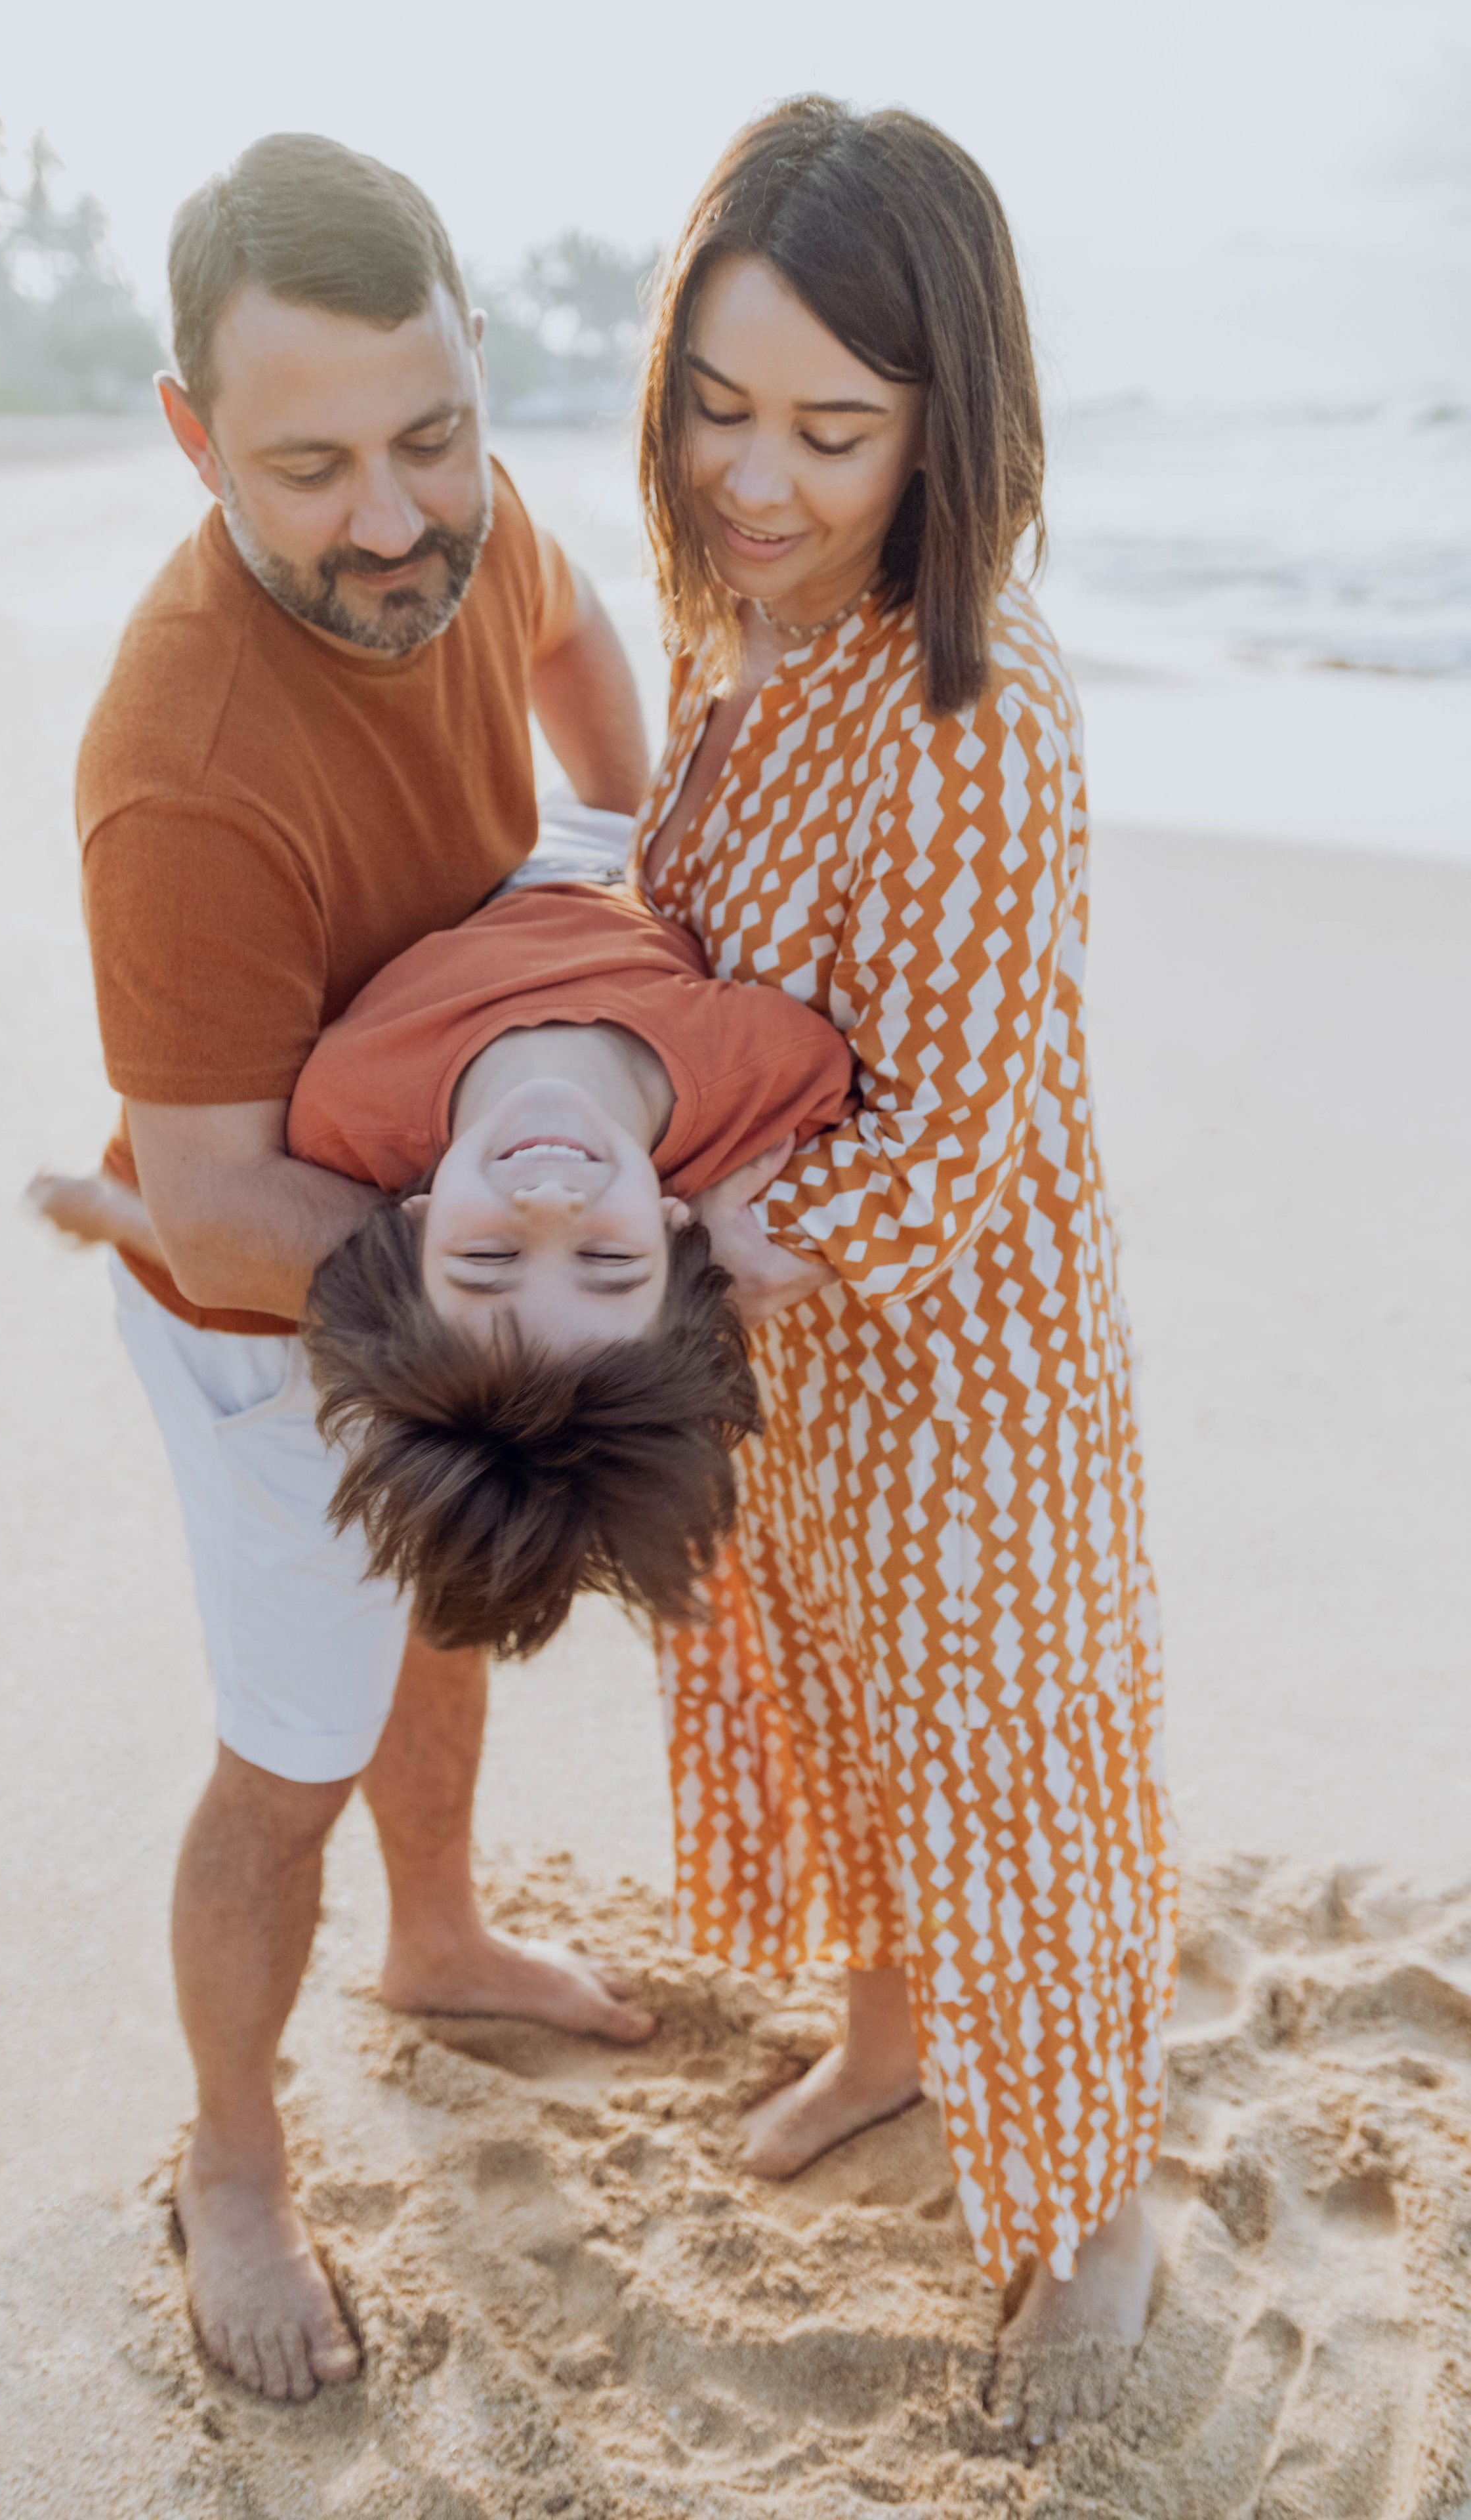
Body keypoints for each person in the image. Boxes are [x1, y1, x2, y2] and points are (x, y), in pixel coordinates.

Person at [68, 131, 655, 2406]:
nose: (397, 519)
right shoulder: (178, 763)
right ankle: (231, 2152)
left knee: (437, 1613)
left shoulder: (477, 526)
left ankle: (439, 1937)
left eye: (433, 437)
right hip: (257, 1309)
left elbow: (578, 630)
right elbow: (214, 1200)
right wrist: (568, 1262)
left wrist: (647, 866)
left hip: (440, 1168)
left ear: (480, 375)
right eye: (307, 468)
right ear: (193, 437)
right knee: (288, 1753)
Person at [631, 98, 1174, 2448]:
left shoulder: (982, 709)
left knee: (1001, 1762)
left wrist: (690, 1242)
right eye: (718, 409)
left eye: (829, 434)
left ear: (949, 425)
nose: (757, 479)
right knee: (831, 1697)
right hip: (784, 1352)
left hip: (956, 1357)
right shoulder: (740, 623)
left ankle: (1093, 2215)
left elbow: (939, 1150)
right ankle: (880, 2035)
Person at [37, 869, 854, 1654]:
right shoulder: (766, 1077)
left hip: (501, 873)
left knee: (307, 1313)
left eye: (490, 1255)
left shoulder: (343, 1119)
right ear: (675, 1229)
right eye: (607, 1256)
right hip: (608, 854)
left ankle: (120, 1215)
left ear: (413, 1222)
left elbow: (271, 1253)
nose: (547, 1203)